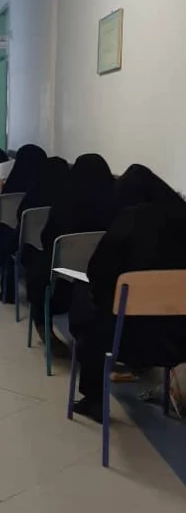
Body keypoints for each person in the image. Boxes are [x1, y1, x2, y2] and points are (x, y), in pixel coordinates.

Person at [70, 166, 186, 421]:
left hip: (126, 339)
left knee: (86, 302)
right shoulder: (182, 217)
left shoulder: (128, 221)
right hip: (178, 338)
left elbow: (97, 273)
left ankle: (94, 399)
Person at [25, 153, 116, 336]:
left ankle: (42, 324)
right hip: (104, 278)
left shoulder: (65, 199)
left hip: (63, 277)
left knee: (38, 269)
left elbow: (47, 237)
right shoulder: (116, 202)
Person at [0, 157, 70, 302]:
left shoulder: (35, 192)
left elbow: (20, 215)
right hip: (64, 253)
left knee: (10, 245)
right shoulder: (68, 198)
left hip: (31, 248)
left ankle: (8, 293)